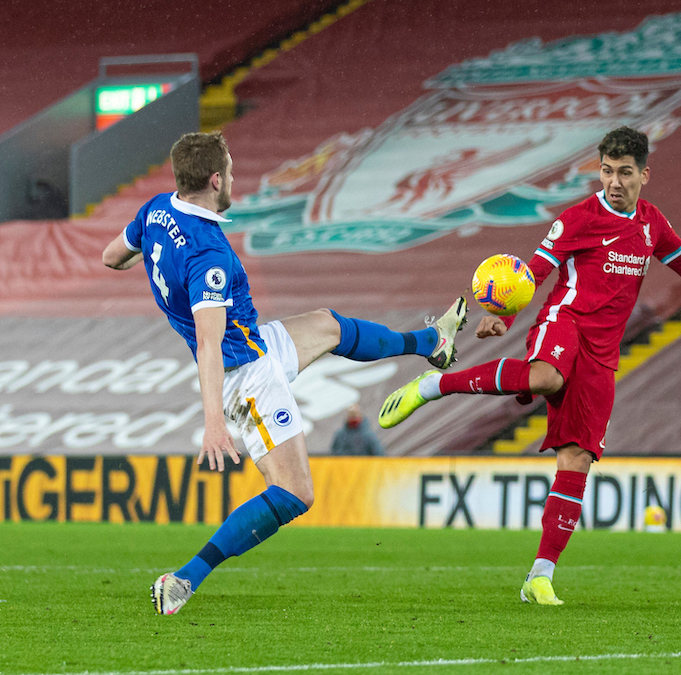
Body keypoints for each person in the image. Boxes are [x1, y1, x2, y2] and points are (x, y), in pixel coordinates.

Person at [378, 126, 681, 605]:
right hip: (566, 324)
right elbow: (533, 274)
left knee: (576, 461)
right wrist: (503, 317)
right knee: (545, 376)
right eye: (607, 171)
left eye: (625, 173)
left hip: (603, 355)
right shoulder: (578, 218)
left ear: (645, 174)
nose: (614, 182)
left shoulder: (652, 223)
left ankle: (539, 576)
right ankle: (436, 384)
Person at [101, 131, 468, 615]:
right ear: (215, 179)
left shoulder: (154, 210)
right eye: (229, 171)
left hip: (254, 341)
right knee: (296, 492)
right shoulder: (208, 253)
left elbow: (111, 257)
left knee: (328, 325)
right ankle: (183, 580)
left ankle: (431, 344)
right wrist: (214, 422)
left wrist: (157, 268)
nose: (232, 177)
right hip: (244, 372)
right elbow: (209, 345)